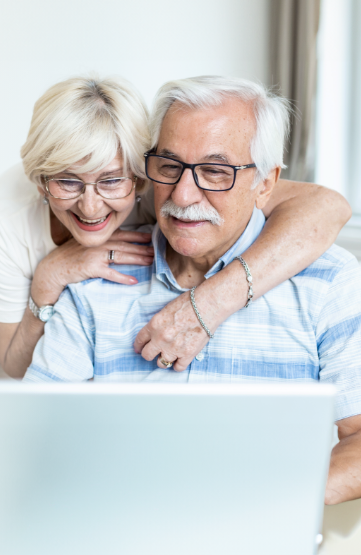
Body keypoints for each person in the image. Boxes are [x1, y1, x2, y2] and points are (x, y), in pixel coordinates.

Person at [23, 76, 361, 505]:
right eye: (169, 166)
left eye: (215, 172)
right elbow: (30, 435)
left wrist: (259, 503)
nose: (183, 194)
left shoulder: (329, 283)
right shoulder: (95, 281)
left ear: (266, 183)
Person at [0, 76, 352, 379]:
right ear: (41, 180)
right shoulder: (1, 221)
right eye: (67, 181)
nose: (91, 205)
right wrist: (49, 277)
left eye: (111, 181)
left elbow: (328, 206)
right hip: (7, 346)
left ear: (137, 175)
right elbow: (15, 367)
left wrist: (210, 302)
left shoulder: (164, 184)